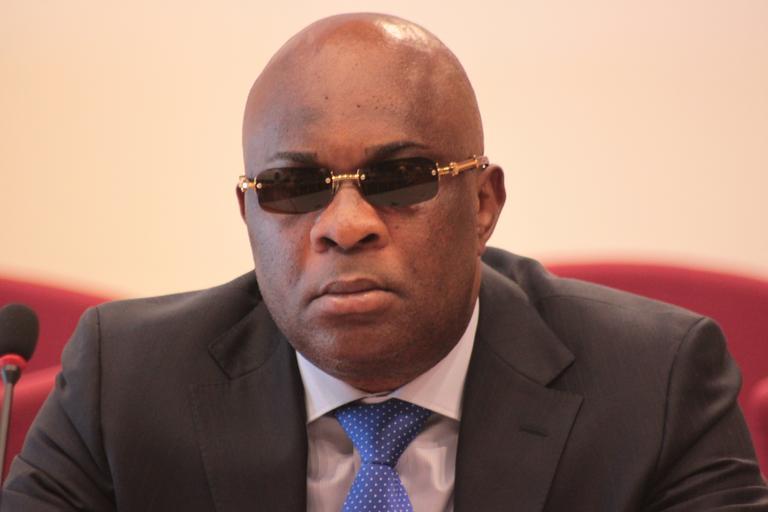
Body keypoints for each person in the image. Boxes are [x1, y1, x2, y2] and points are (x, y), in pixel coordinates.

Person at [2, 13, 767, 512]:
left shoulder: (653, 384)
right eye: (295, 187)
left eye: (400, 178)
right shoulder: (124, 383)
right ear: (249, 217)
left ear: (483, 203)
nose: (346, 226)